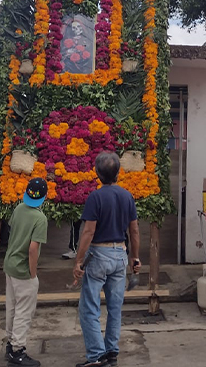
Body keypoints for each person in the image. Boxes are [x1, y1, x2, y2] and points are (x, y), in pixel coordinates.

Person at [74, 152, 141, 367]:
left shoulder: (96, 197)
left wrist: (78, 260)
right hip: (120, 255)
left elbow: (88, 231)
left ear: (97, 173)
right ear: (118, 173)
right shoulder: (127, 196)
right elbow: (135, 231)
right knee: (115, 307)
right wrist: (135, 258)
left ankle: (96, 355)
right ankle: (111, 351)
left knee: (89, 307)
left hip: (98, 255)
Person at [3, 178, 49, 367]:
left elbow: (13, 230)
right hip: (23, 270)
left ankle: (10, 343)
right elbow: (32, 249)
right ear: (44, 197)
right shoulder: (40, 219)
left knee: (12, 307)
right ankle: (18, 350)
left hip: (10, 265)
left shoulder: (19, 208)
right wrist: (33, 273)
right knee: (24, 311)